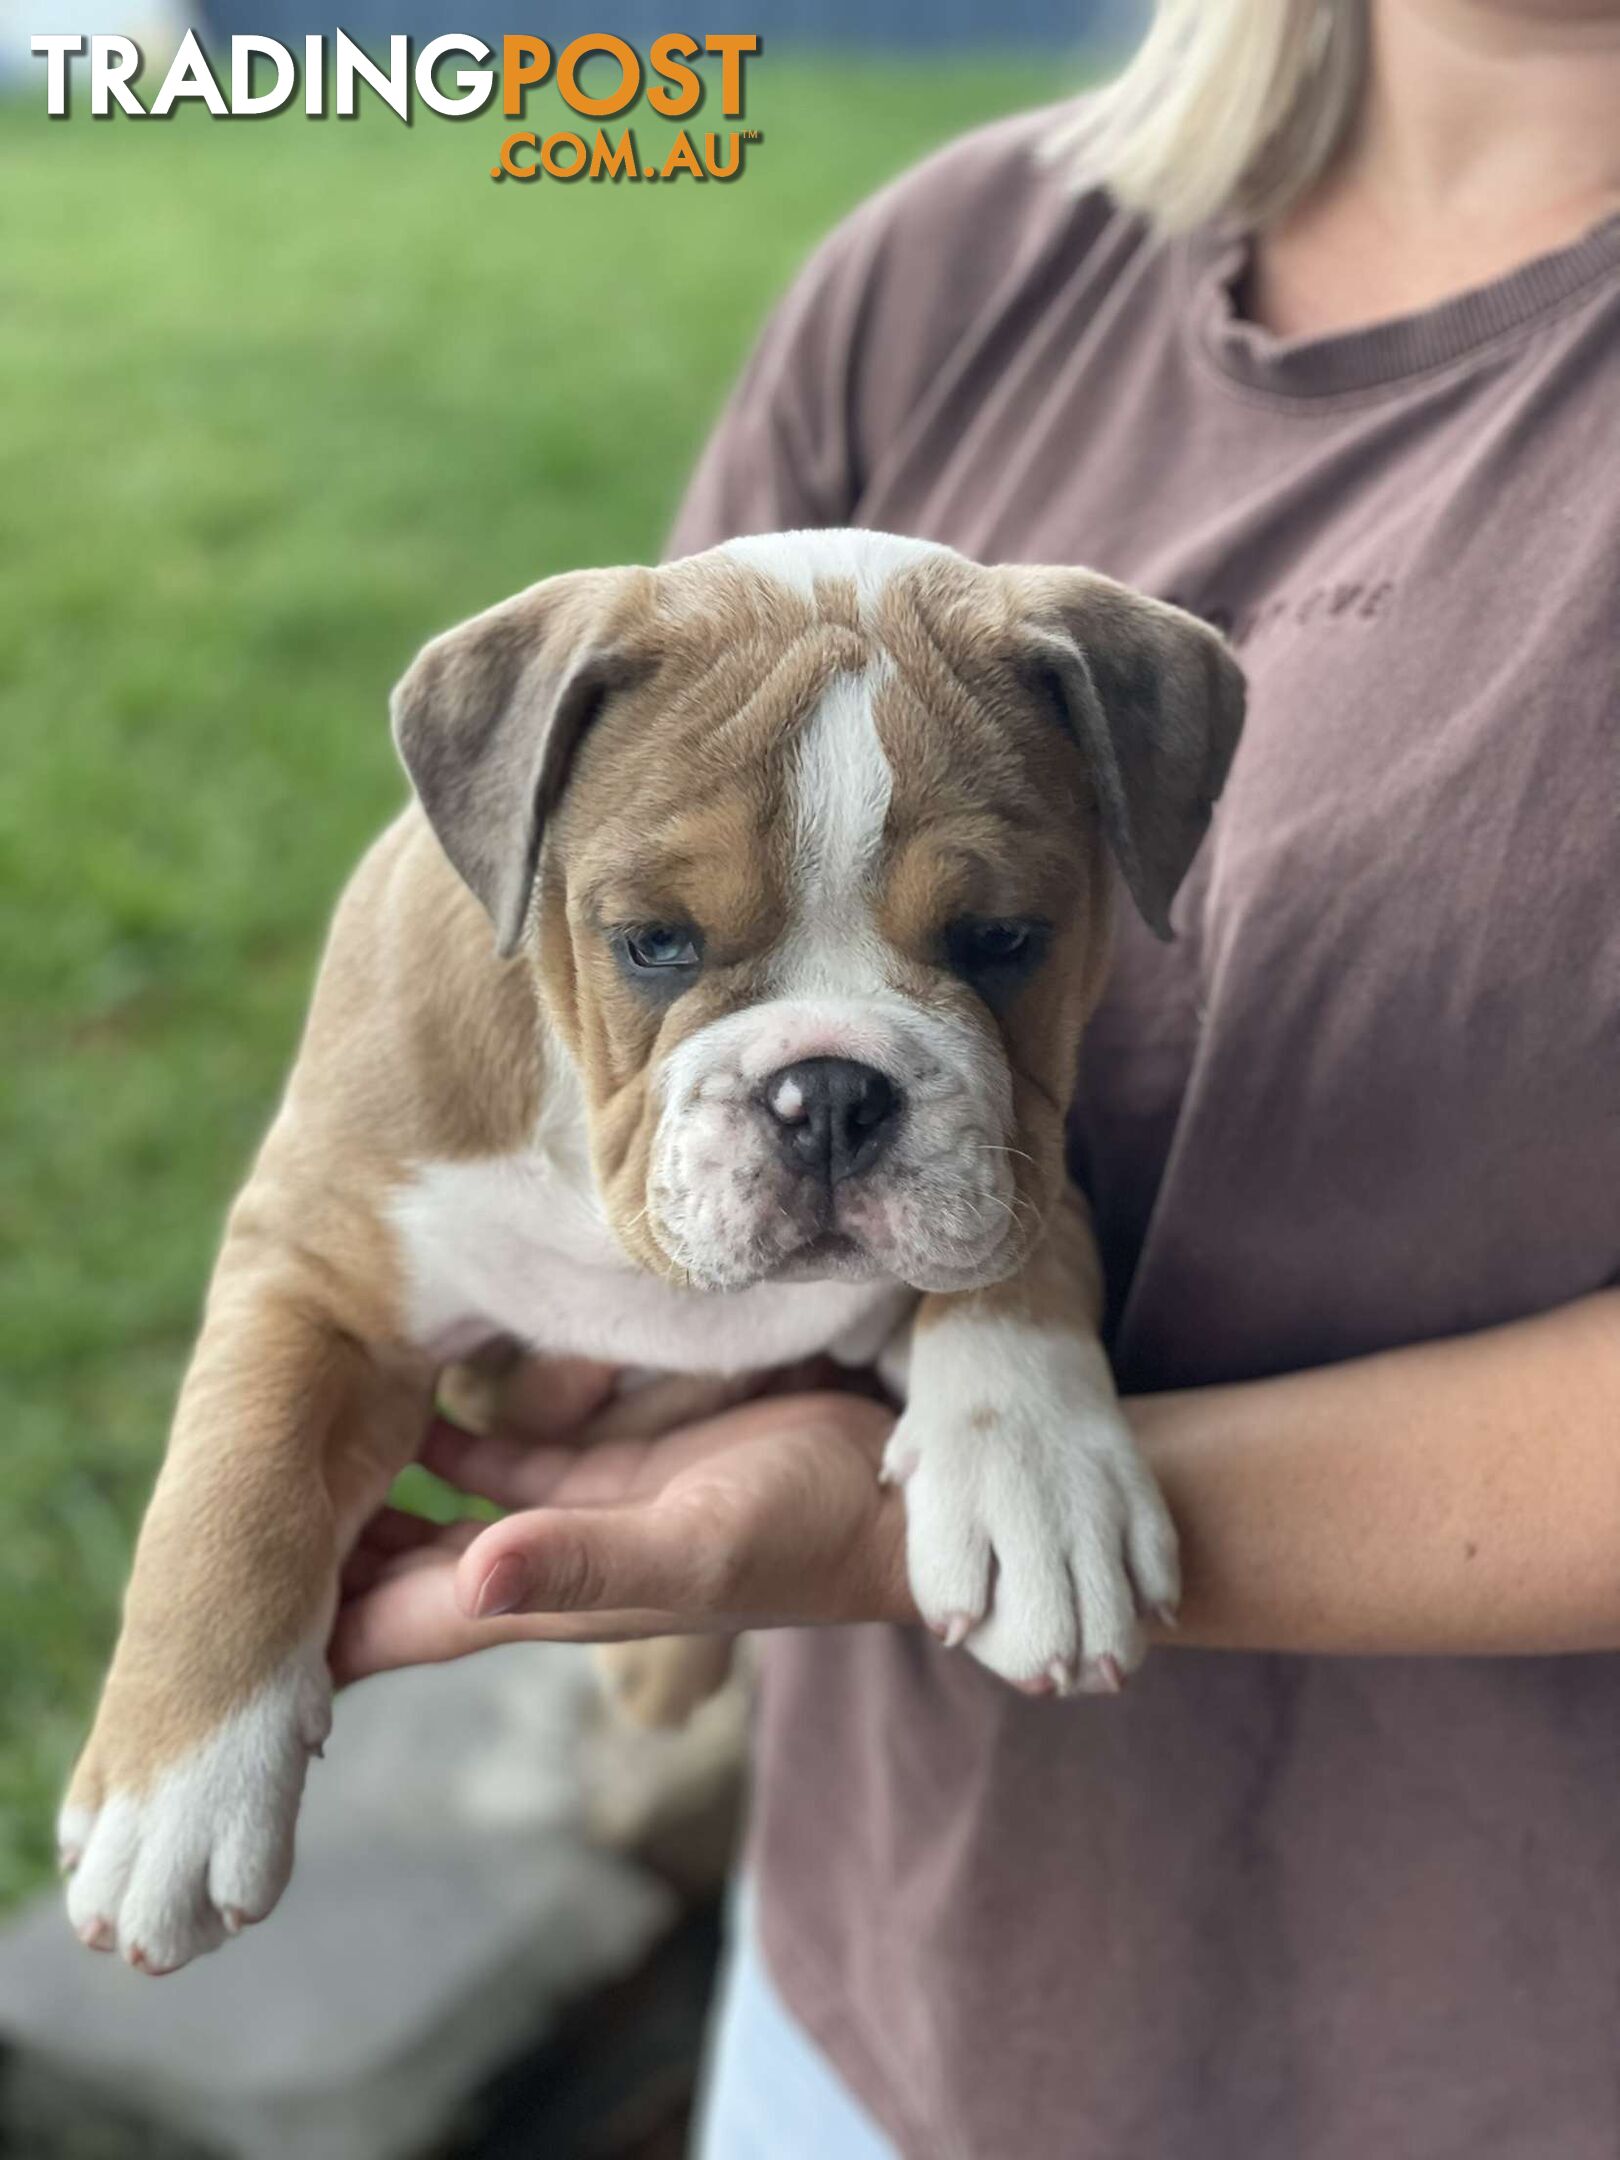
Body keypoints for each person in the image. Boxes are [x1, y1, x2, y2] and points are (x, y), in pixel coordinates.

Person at [330, 2, 1620, 2151]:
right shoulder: (954, 270)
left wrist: (933, 1506)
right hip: (885, 1985)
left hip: (1492, 2048)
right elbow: (612, 949)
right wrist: (588, 1299)